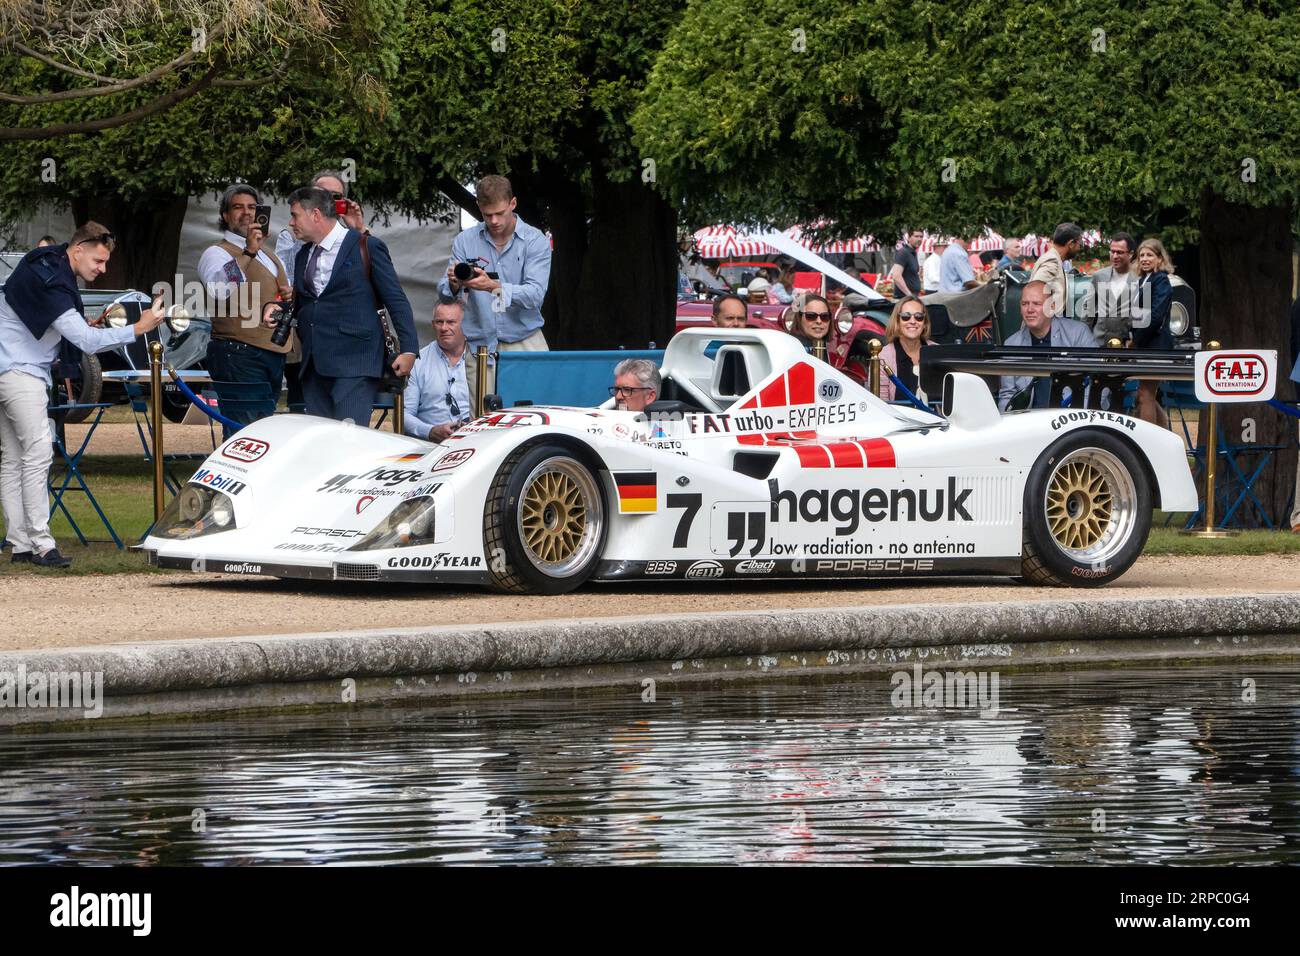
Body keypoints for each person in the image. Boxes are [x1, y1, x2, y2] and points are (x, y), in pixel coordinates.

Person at [0, 223, 166, 567]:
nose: (102, 269)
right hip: (20, 372)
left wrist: (75, 324)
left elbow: (43, 318)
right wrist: (139, 327)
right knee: (37, 452)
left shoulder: (42, 262)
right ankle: (42, 545)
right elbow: (87, 343)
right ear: (78, 250)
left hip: (9, 366)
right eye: (99, 260)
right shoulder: (56, 281)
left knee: (14, 457)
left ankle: (19, 543)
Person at [275, 186, 418, 425]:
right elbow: (305, 304)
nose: (291, 222)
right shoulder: (302, 255)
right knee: (320, 443)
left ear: (316, 215)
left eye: (295, 215)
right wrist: (277, 311)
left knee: (349, 439)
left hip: (356, 362)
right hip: (313, 364)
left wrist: (409, 349)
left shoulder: (367, 246)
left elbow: (396, 299)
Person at [439, 174, 551, 399]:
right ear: (479, 207)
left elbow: (535, 295)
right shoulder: (465, 240)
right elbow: (444, 293)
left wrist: (493, 286)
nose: (494, 221)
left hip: (525, 339)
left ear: (513, 203)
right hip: (481, 345)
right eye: (487, 214)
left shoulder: (535, 240)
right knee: (482, 419)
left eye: (500, 213)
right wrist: (453, 284)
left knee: (532, 416)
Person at [199, 183, 294, 437]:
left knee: (262, 429)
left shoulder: (270, 255)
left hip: (271, 352)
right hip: (237, 352)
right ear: (225, 216)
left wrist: (286, 296)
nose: (247, 213)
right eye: (238, 207)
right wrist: (249, 251)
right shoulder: (216, 252)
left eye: (252, 207)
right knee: (244, 430)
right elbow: (219, 288)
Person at [998, 280, 1095, 411]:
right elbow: (1007, 395)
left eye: (1037, 304)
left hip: (1070, 418)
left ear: (1052, 306)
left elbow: (1093, 384)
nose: (1030, 309)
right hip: (1030, 422)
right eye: (1024, 304)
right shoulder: (1011, 344)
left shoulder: (1078, 333)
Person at [403, 301, 472, 442]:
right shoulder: (417, 361)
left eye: (451, 322)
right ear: (433, 324)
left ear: (466, 324)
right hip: (430, 446)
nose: (444, 328)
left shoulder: (482, 359)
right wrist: (430, 431)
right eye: (439, 322)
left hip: (475, 443)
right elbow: (403, 414)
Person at [1131, 237, 1174, 428]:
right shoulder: (1143, 280)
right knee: (1146, 393)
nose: (1145, 259)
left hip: (1155, 345)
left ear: (1159, 259)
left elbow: (1156, 317)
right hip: (1145, 343)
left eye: (1150, 255)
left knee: (1145, 394)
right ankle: (1166, 437)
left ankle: (1149, 443)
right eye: (1141, 255)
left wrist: (1137, 338)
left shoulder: (1161, 280)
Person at [1082, 232, 1138, 346]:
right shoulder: (1099, 276)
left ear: (1131, 254)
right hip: (1099, 341)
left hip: (1127, 344)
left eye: (1120, 252)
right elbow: (1088, 309)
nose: (1115, 256)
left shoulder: (1139, 279)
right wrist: (1084, 337)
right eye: (1112, 251)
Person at [879, 297, 935, 402]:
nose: (913, 321)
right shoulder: (883, 357)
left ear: (924, 323)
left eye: (919, 316)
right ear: (897, 322)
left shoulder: (937, 351)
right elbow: (881, 404)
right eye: (906, 316)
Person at [1030, 222, 1083, 318]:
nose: (1079, 248)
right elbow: (1034, 294)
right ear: (1071, 244)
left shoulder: (1054, 259)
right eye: (1080, 244)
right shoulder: (1052, 261)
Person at [890, 230, 924, 299]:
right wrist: (909, 295)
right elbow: (896, 276)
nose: (919, 239)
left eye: (921, 237)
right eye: (916, 236)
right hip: (904, 299)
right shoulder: (903, 253)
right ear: (908, 238)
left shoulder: (913, 253)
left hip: (911, 297)